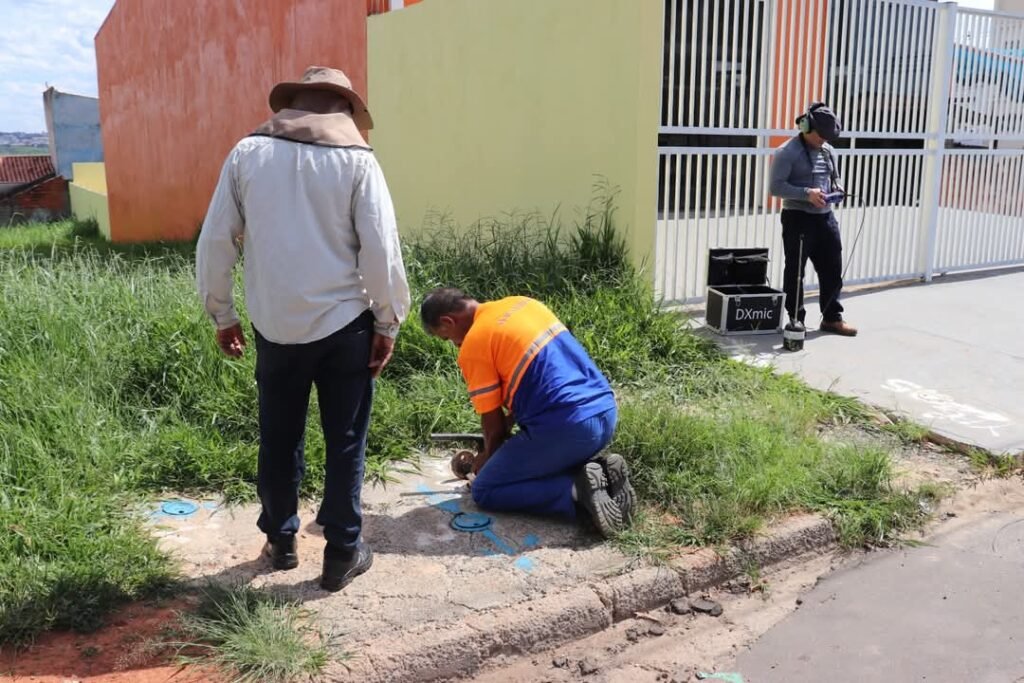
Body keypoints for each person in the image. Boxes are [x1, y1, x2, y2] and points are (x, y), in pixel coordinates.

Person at [196, 66, 409, 592]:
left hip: (275, 327)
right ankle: (342, 553)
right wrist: (388, 322)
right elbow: (381, 250)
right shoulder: (358, 160)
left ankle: (282, 541)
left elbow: (216, 241)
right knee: (345, 441)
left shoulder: (247, 154)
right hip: (346, 326)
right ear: (345, 109)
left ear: (294, 103)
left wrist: (222, 314)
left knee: (279, 436)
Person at [420, 288, 634, 537]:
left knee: (487, 489)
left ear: (448, 321)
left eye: (446, 338)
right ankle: (602, 474)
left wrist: (487, 460)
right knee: (532, 460)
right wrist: (506, 433)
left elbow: (493, 426)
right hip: (605, 414)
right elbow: (543, 377)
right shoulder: (522, 304)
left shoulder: (475, 342)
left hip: (569, 429)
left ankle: (577, 489)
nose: (455, 344)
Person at [768, 101, 857, 336]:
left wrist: (837, 189)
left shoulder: (828, 150)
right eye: (820, 135)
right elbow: (775, 187)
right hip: (798, 218)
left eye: (828, 137)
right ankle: (795, 320)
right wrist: (806, 193)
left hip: (825, 218)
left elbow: (833, 177)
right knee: (796, 271)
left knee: (832, 268)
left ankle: (832, 318)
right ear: (806, 126)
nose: (823, 140)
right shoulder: (786, 152)